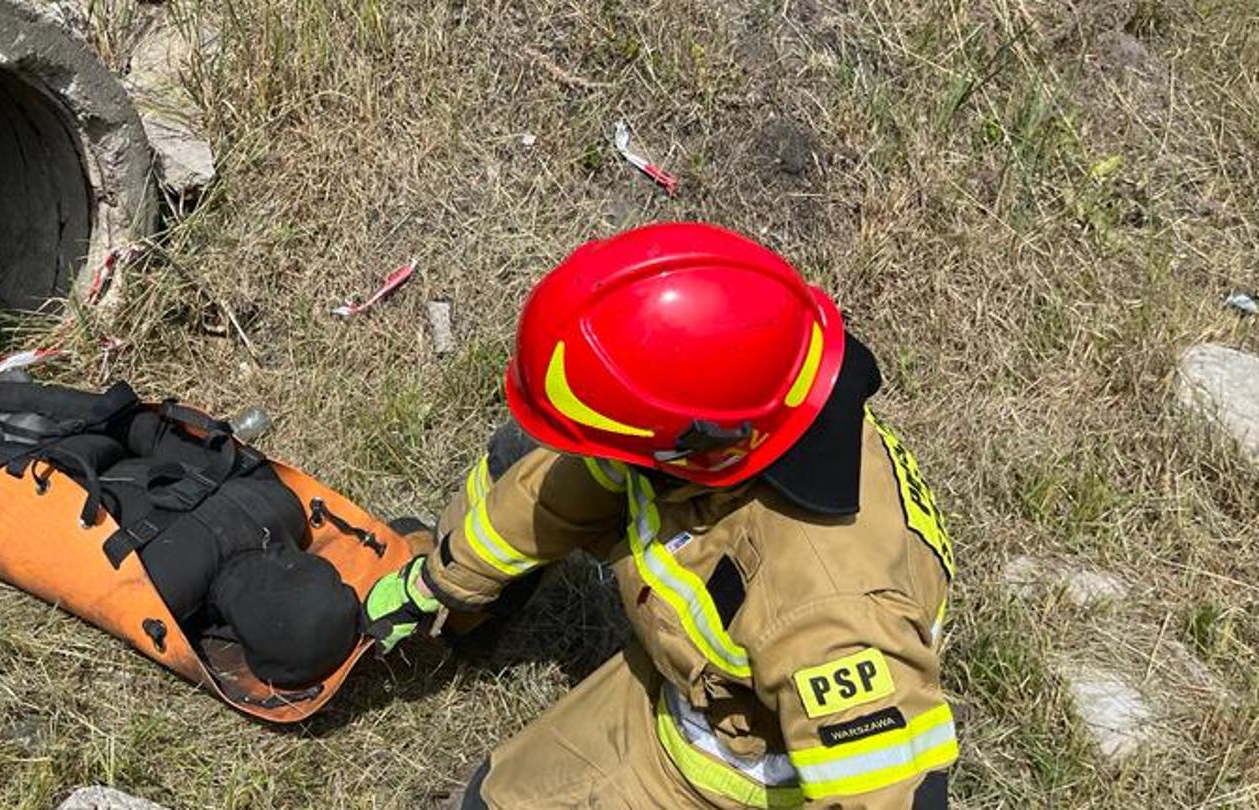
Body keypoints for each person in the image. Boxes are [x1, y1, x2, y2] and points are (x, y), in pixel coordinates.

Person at [364, 223, 956, 808]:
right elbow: (580, 483)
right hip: (703, 659)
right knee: (523, 457)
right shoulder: (766, 396)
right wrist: (440, 579)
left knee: (489, 804)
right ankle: (471, 625)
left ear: (695, 451)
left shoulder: (825, 617)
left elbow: (893, 792)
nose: (598, 460)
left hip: (725, 759)